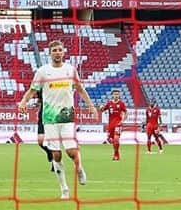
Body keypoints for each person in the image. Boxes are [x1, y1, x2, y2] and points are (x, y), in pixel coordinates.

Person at [17, 40, 98, 199]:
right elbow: (32, 90)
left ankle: (79, 168)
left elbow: (80, 89)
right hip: (49, 118)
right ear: (50, 53)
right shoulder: (42, 72)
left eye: (60, 49)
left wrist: (91, 106)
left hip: (67, 116)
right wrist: (23, 102)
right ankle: (64, 189)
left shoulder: (70, 70)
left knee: (71, 152)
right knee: (56, 154)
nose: (57, 52)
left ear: (64, 52)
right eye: (54, 50)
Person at [99, 89, 128, 161]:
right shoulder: (109, 103)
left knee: (116, 139)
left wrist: (123, 120)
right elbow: (102, 110)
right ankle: (116, 154)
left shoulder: (121, 104)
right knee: (111, 140)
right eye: (115, 94)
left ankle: (116, 155)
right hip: (111, 125)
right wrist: (100, 108)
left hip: (118, 124)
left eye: (117, 94)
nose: (116, 95)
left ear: (119, 95)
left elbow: (126, 112)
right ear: (112, 95)